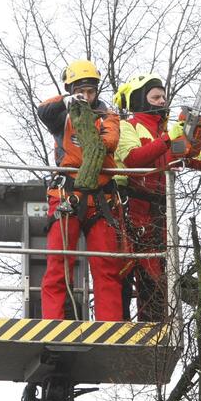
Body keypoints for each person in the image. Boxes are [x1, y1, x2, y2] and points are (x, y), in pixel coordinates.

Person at [113, 73, 201, 321]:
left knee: (157, 275)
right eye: (155, 96)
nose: (162, 100)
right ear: (140, 100)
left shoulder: (171, 134)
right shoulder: (128, 126)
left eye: (163, 96)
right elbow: (132, 158)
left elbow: (198, 160)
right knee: (124, 270)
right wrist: (168, 139)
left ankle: (155, 327)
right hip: (131, 208)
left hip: (160, 214)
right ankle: (121, 323)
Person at [37, 59, 125, 322]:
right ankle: (53, 322)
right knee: (59, 264)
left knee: (106, 267)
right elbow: (43, 110)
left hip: (102, 200)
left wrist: (89, 122)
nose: (86, 96)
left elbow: (109, 142)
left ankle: (110, 325)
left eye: (90, 90)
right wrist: (67, 102)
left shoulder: (108, 117)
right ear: (71, 88)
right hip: (67, 196)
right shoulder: (60, 118)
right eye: (81, 90)